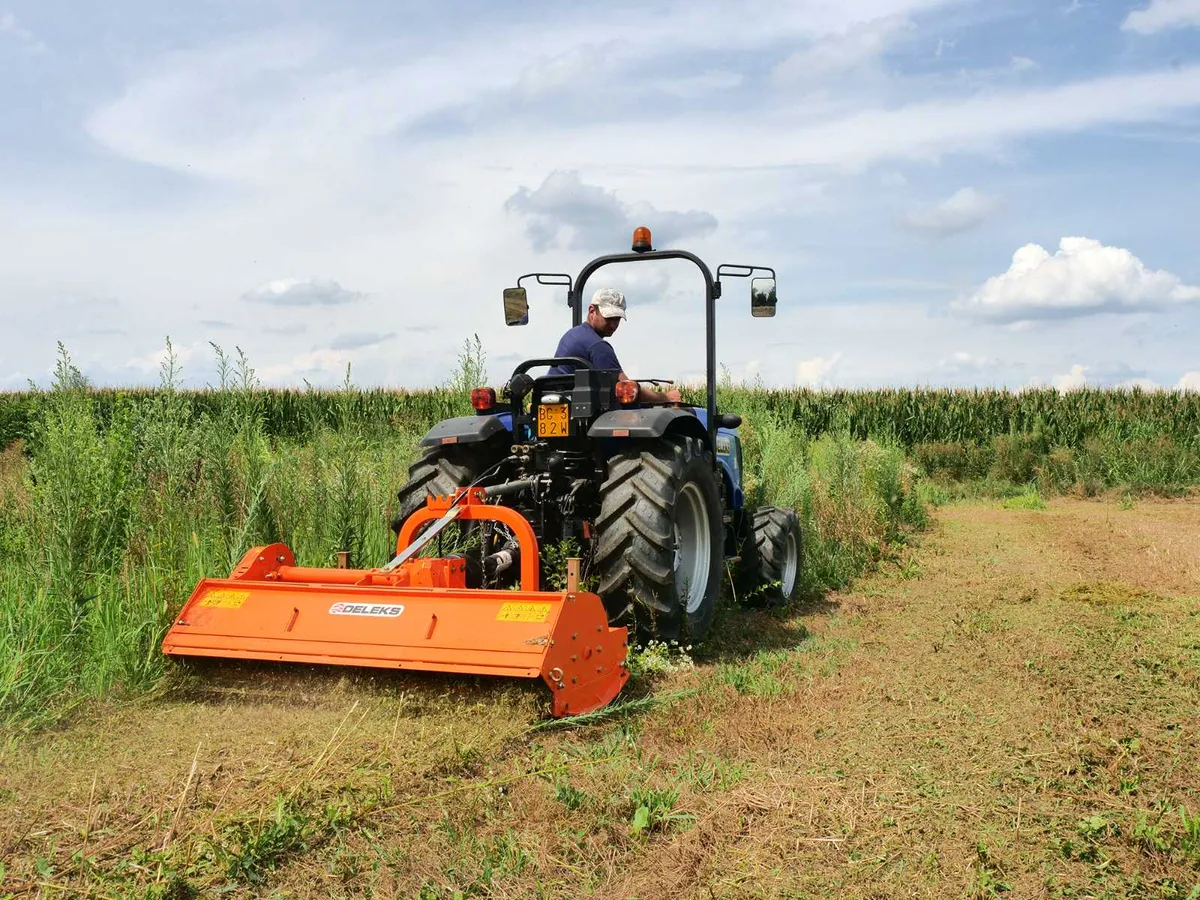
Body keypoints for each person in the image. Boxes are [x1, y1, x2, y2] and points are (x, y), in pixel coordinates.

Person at [549, 288, 682, 403]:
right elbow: (627, 390)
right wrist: (666, 397)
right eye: (608, 318)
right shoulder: (598, 346)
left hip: (555, 399)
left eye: (617, 319)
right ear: (592, 311)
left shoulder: (572, 335)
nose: (613, 325)